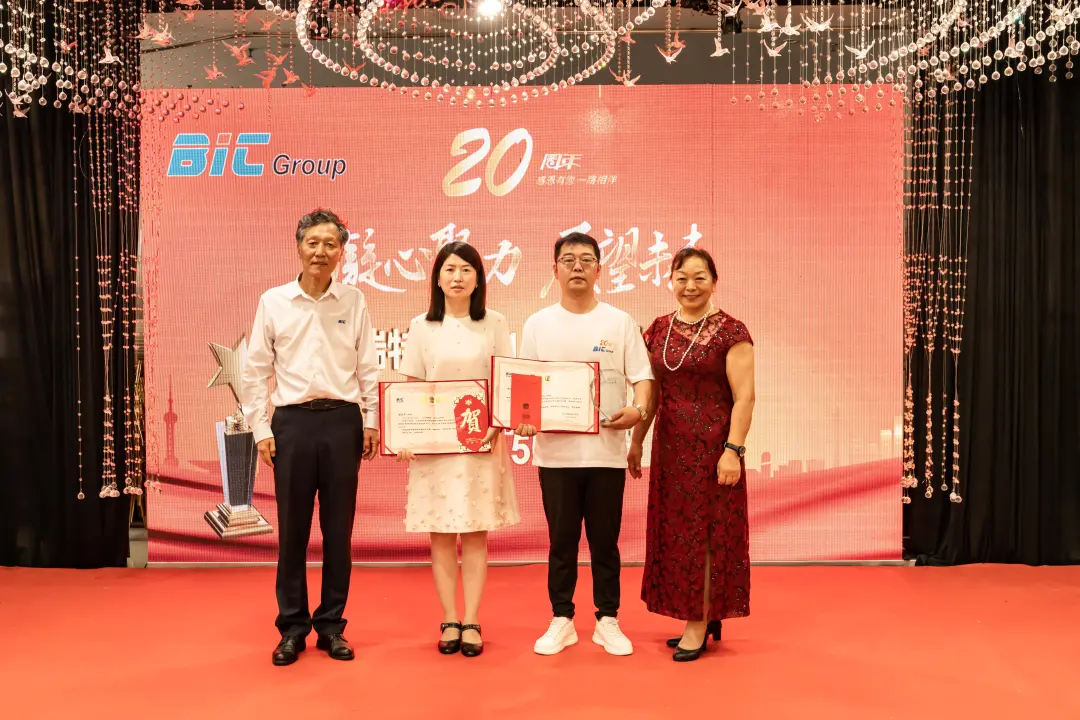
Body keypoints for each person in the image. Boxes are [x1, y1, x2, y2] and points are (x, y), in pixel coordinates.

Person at [241, 208, 380, 667]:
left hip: (342, 422)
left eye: (330, 244)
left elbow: (368, 366)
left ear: (342, 252)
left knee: (339, 532)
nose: (321, 251)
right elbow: (255, 370)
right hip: (292, 424)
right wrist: (261, 429)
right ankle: (292, 629)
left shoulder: (353, 301)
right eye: (313, 242)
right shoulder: (274, 301)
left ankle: (332, 626)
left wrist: (372, 421)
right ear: (298, 246)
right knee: (293, 532)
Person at [516, 231, 654, 657]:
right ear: (554, 269)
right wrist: (524, 419)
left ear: (599, 269)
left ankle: (607, 619)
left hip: (606, 455)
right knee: (561, 543)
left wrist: (638, 410)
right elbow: (524, 387)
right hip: (556, 456)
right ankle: (562, 619)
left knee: (604, 542)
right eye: (568, 259)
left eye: (586, 259)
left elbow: (643, 381)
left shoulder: (619, 322)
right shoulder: (538, 324)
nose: (577, 266)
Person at [628, 247, 756, 662]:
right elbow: (651, 394)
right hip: (670, 452)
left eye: (700, 277)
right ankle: (700, 611)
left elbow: (745, 398)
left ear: (714, 282)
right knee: (677, 536)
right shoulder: (659, 329)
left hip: (714, 452)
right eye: (682, 277)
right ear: (671, 281)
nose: (690, 286)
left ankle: (698, 622)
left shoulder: (732, 332)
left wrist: (733, 450)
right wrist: (637, 441)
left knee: (707, 535)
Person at [396, 241, 521, 658]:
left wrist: (496, 426)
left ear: (479, 279)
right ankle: (449, 617)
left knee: (475, 531)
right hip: (435, 445)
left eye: (467, 270)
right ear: (437, 278)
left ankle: (472, 619)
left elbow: (506, 384)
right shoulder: (421, 326)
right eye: (450, 269)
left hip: (479, 442)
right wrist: (406, 436)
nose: (457, 277)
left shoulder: (494, 323)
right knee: (441, 534)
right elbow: (412, 388)